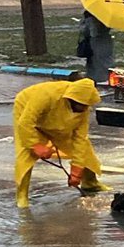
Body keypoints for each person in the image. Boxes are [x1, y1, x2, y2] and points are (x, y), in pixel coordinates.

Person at [13, 77, 106, 208]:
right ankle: (22, 196)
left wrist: (76, 170)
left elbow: (80, 139)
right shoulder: (45, 96)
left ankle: (90, 183)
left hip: (57, 121)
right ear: (72, 99)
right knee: (26, 155)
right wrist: (35, 145)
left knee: (85, 149)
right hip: (27, 113)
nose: (84, 108)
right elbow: (25, 123)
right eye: (82, 105)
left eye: (87, 106)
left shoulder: (83, 109)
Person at [77, 11, 114, 86]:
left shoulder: (90, 18)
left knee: (95, 62)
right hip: (106, 41)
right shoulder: (107, 15)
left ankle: (97, 80)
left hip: (95, 43)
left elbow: (86, 31)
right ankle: (108, 78)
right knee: (106, 61)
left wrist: (84, 21)